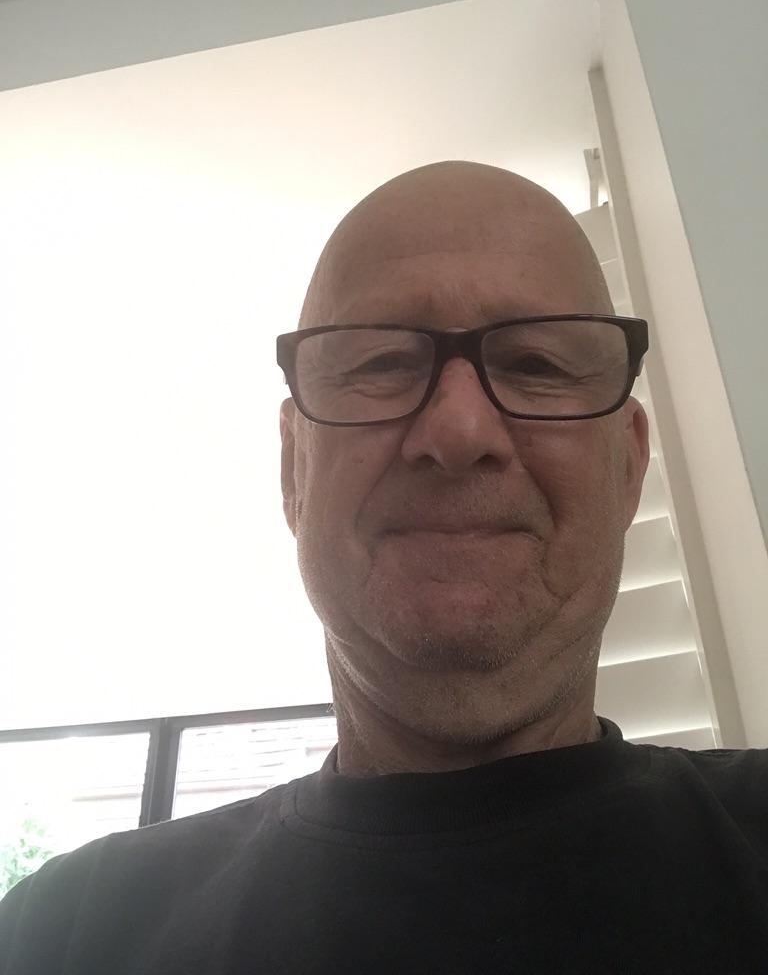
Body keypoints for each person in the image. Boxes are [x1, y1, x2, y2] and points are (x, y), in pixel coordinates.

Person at [1, 161, 766, 974]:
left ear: (629, 467)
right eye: (380, 364)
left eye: (537, 364)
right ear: (295, 470)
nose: (459, 430)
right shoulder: (63, 934)